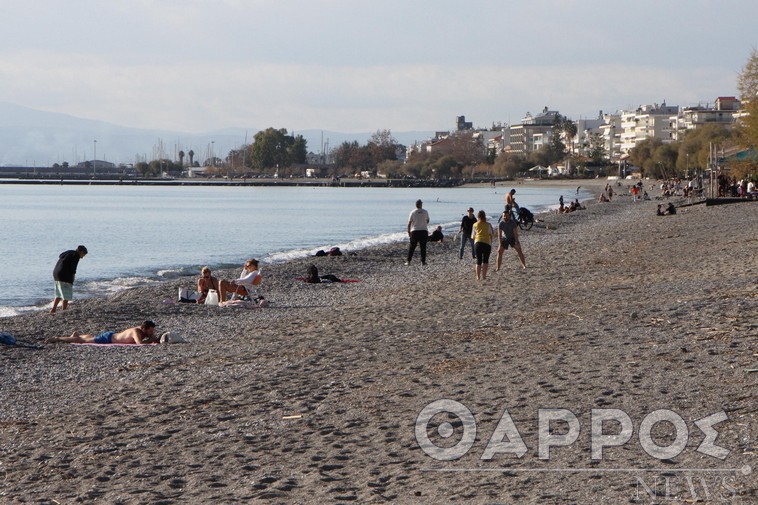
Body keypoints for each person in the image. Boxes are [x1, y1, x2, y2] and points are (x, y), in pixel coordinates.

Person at [46, 321, 157, 345]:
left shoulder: (141, 329)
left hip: (112, 335)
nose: (152, 333)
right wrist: (151, 340)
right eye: (150, 331)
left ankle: (76, 335)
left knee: (90, 338)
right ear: (144, 329)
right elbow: (140, 344)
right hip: (108, 338)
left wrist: (152, 337)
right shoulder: (136, 332)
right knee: (82, 341)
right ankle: (57, 338)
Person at [50, 245, 88, 314]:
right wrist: (73, 277)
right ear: (81, 252)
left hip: (56, 273)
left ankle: (54, 309)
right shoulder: (76, 255)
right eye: (83, 254)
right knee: (66, 294)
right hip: (64, 275)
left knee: (59, 293)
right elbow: (73, 267)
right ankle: (64, 310)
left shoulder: (68, 253)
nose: (83, 257)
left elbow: (61, 256)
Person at [496, 206, 526, 271]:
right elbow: (499, 235)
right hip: (505, 238)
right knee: (499, 251)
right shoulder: (501, 224)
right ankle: (498, 268)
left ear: (509, 216)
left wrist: (517, 241)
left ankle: (524, 265)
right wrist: (500, 244)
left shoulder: (512, 223)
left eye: (506, 216)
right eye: (504, 216)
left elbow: (515, 233)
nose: (505, 217)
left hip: (512, 238)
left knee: (519, 250)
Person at [471, 210, 494, 281]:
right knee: (485, 260)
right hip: (487, 243)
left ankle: (478, 276)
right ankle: (484, 276)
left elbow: (473, 236)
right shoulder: (488, 225)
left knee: (478, 260)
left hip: (478, 243)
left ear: (478, 216)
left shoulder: (475, 224)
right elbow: (491, 234)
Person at [406, 199, 429, 266]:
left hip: (415, 231)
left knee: (412, 247)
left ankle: (408, 261)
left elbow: (409, 223)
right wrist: (423, 223)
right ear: (421, 204)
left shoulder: (412, 212)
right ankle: (423, 261)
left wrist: (408, 231)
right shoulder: (425, 211)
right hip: (423, 230)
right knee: (423, 247)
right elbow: (427, 220)